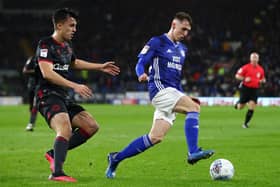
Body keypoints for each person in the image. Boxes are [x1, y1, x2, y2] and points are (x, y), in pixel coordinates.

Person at [105, 12, 214, 179]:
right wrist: (140, 73)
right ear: (173, 25)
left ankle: (115, 158)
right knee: (194, 108)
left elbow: (176, 78)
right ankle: (193, 151)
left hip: (172, 91)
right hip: (159, 90)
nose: (185, 34)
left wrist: (182, 96)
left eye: (188, 31)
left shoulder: (183, 50)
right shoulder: (158, 41)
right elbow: (141, 61)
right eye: (183, 29)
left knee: (155, 137)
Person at [34, 8, 120, 182]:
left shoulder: (66, 47)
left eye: (75, 26)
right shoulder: (45, 44)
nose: (74, 29)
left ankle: (53, 153)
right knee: (64, 127)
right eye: (71, 25)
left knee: (91, 126)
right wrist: (75, 85)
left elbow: (74, 62)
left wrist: (100, 67)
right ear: (59, 25)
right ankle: (57, 173)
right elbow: (47, 73)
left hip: (63, 96)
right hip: (47, 95)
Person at [234, 52, 266, 128]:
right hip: (245, 89)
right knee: (240, 107)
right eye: (253, 58)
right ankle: (238, 104)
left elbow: (262, 78)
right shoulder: (245, 67)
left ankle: (245, 124)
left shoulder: (261, 69)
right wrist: (244, 78)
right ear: (250, 59)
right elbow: (237, 76)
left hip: (254, 90)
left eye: (256, 58)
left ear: (258, 59)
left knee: (252, 106)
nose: (254, 59)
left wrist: (263, 81)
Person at [22, 56, 38, 131]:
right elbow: (25, 70)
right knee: (32, 106)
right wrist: (37, 71)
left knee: (35, 104)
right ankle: (32, 120)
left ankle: (31, 123)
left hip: (41, 85)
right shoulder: (32, 59)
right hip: (32, 85)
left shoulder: (49, 58)